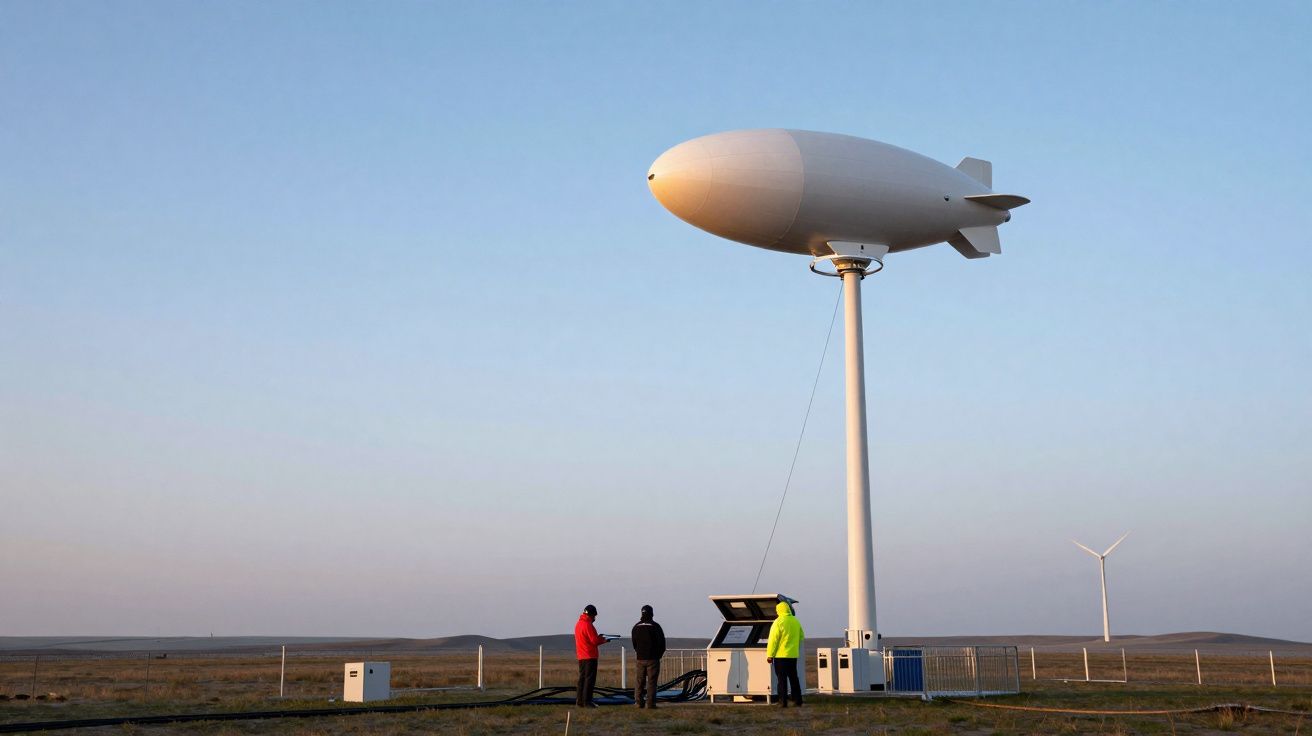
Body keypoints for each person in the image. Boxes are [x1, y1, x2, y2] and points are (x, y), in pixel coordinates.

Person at [765, 600, 805, 707]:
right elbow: (801, 636)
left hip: (780, 656)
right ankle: (798, 700)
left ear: (779, 610)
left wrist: (770, 655)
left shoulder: (778, 622)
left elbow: (773, 640)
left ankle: (783, 702)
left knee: (782, 679)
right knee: (793, 678)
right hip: (792, 656)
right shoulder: (795, 621)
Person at [630, 604, 666, 709]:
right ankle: (650, 704)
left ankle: (638, 702)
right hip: (653, 658)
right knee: (652, 681)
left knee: (639, 681)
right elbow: (662, 643)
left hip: (640, 658)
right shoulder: (655, 626)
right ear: (652, 614)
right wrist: (658, 655)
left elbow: (634, 643)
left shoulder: (636, 627)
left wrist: (639, 652)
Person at [574, 604, 609, 707]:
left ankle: (579, 701)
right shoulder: (588, 625)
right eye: (594, 616)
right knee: (589, 680)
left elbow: (588, 639)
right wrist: (604, 640)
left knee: (582, 679)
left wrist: (598, 637)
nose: (595, 618)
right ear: (591, 615)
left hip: (581, 656)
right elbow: (594, 641)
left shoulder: (578, 624)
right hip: (590, 656)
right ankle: (587, 701)